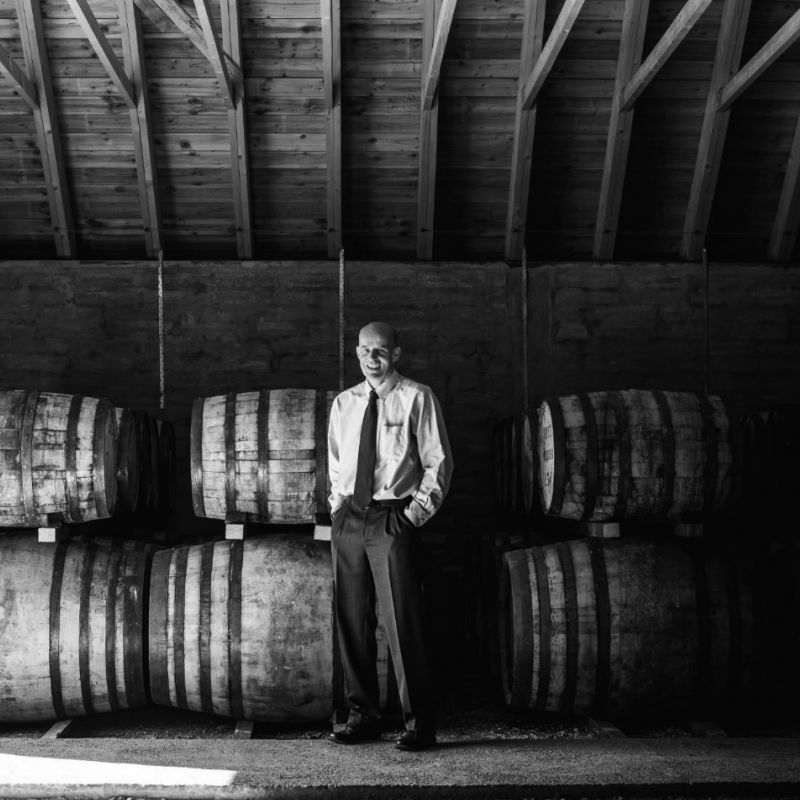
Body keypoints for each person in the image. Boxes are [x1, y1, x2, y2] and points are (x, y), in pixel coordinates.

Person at [327, 321, 453, 751]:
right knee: (352, 621)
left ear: (396, 353)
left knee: (403, 621)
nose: (371, 358)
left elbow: (438, 463)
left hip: (392, 519)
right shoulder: (344, 403)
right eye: (364, 350)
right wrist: (337, 506)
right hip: (349, 519)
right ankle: (363, 715)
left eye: (380, 351)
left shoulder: (417, 397)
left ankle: (419, 723)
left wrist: (412, 516)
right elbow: (335, 461)